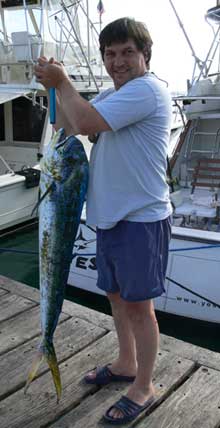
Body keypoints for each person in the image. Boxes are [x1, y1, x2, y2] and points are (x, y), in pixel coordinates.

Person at [34, 17, 172, 425]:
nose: (118, 61)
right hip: (110, 218)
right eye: (110, 54)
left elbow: (87, 123)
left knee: (139, 308)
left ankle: (143, 385)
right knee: (116, 298)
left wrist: (62, 81)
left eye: (128, 52)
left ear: (145, 55)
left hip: (140, 219)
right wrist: (53, 89)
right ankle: (126, 363)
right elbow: (68, 125)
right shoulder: (117, 94)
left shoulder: (147, 90)